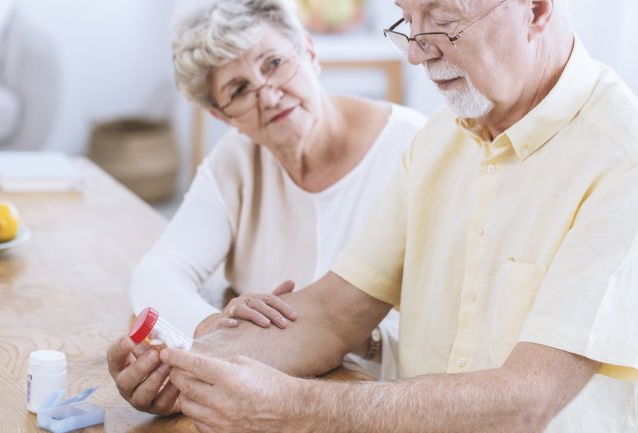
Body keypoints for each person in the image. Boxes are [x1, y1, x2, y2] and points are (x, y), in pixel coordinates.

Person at [109, 0, 638, 431]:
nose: (416, 50)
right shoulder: (438, 141)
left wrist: (299, 408)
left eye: (442, 20)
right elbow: (333, 314)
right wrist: (180, 363)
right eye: (409, 18)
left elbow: (527, 400)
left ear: (535, 8)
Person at [114, 0, 426, 410]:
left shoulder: (413, 148)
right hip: (257, 400)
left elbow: (448, 326)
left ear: (309, 52)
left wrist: (360, 335)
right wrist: (213, 328)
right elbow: (156, 272)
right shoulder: (235, 162)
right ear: (223, 116)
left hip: (376, 404)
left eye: (274, 62)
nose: (269, 94)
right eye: (239, 89)